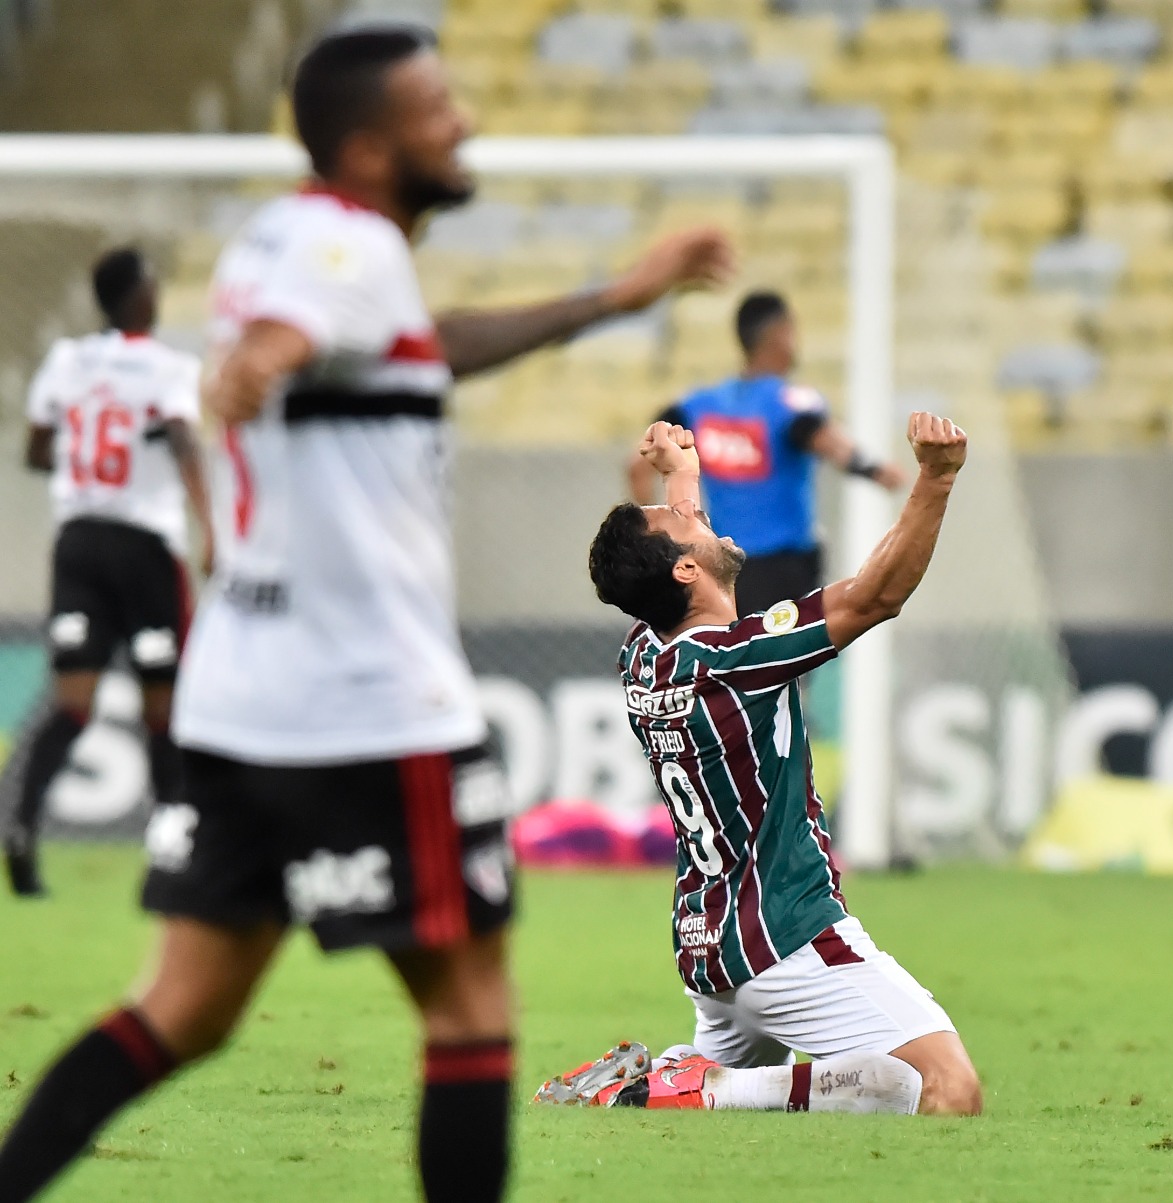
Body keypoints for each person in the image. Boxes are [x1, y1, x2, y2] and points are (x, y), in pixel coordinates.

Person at [0, 22, 731, 1203]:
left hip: (241, 700)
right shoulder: (339, 249)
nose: (465, 125)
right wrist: (259, 363)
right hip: (369, 707)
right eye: (441, 109)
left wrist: (617, 294)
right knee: (470, 1007)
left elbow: (409, 348)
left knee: (182, 1008)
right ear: (372, 143)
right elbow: (291, 336)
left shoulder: (306, 241)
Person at [584, 417, 982, 1116]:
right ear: (685, 568)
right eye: (681, 518)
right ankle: (707, 1088)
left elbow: (689, 567)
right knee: (944, 1090)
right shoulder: (735, 660)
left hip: (708, 942)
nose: (694, 512)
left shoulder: (644, 652)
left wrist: (682, 471)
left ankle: (675, 1073)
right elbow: (874, 596)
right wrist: (936, 479)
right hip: (785, 936)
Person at [4, 247, 214, 898]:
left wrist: (85, 459)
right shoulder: (168, 368)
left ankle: (18, 821)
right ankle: (171, 846)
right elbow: (183, 437)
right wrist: (211, 524)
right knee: (165, 704)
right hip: (145, 545)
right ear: (139, 296)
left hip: (79, 543)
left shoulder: (67, 362)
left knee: (72, 701)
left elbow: (36, 451)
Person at [629, 290, 906, 619]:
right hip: (786, 572)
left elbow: (636, 468)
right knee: (788, 665)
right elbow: (832, 444)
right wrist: (876, 470)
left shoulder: (699, 406)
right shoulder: (788, 403)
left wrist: (657, 547)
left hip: (723, 568)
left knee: (729, 662)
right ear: (781, 334)